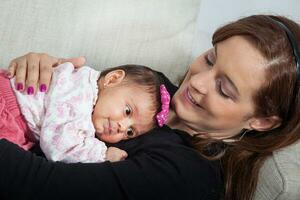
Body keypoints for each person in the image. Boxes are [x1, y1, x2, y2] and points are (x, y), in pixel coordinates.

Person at [1, 14, 300, 200]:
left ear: (262, 121)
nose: (198, 81)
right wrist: (39, 73)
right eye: (210, 58)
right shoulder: (155, 87)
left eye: (224, 89)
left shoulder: (185, 174)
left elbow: (36, 186)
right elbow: (74, 97)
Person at [0, 62, 170, 163]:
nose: (122, 127)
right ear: (112, 79)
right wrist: (102, 154)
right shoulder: (81, 95)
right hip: (8, 109)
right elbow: (57, 144)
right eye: (127, 111)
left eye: (130, 132)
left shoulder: (86, 86)